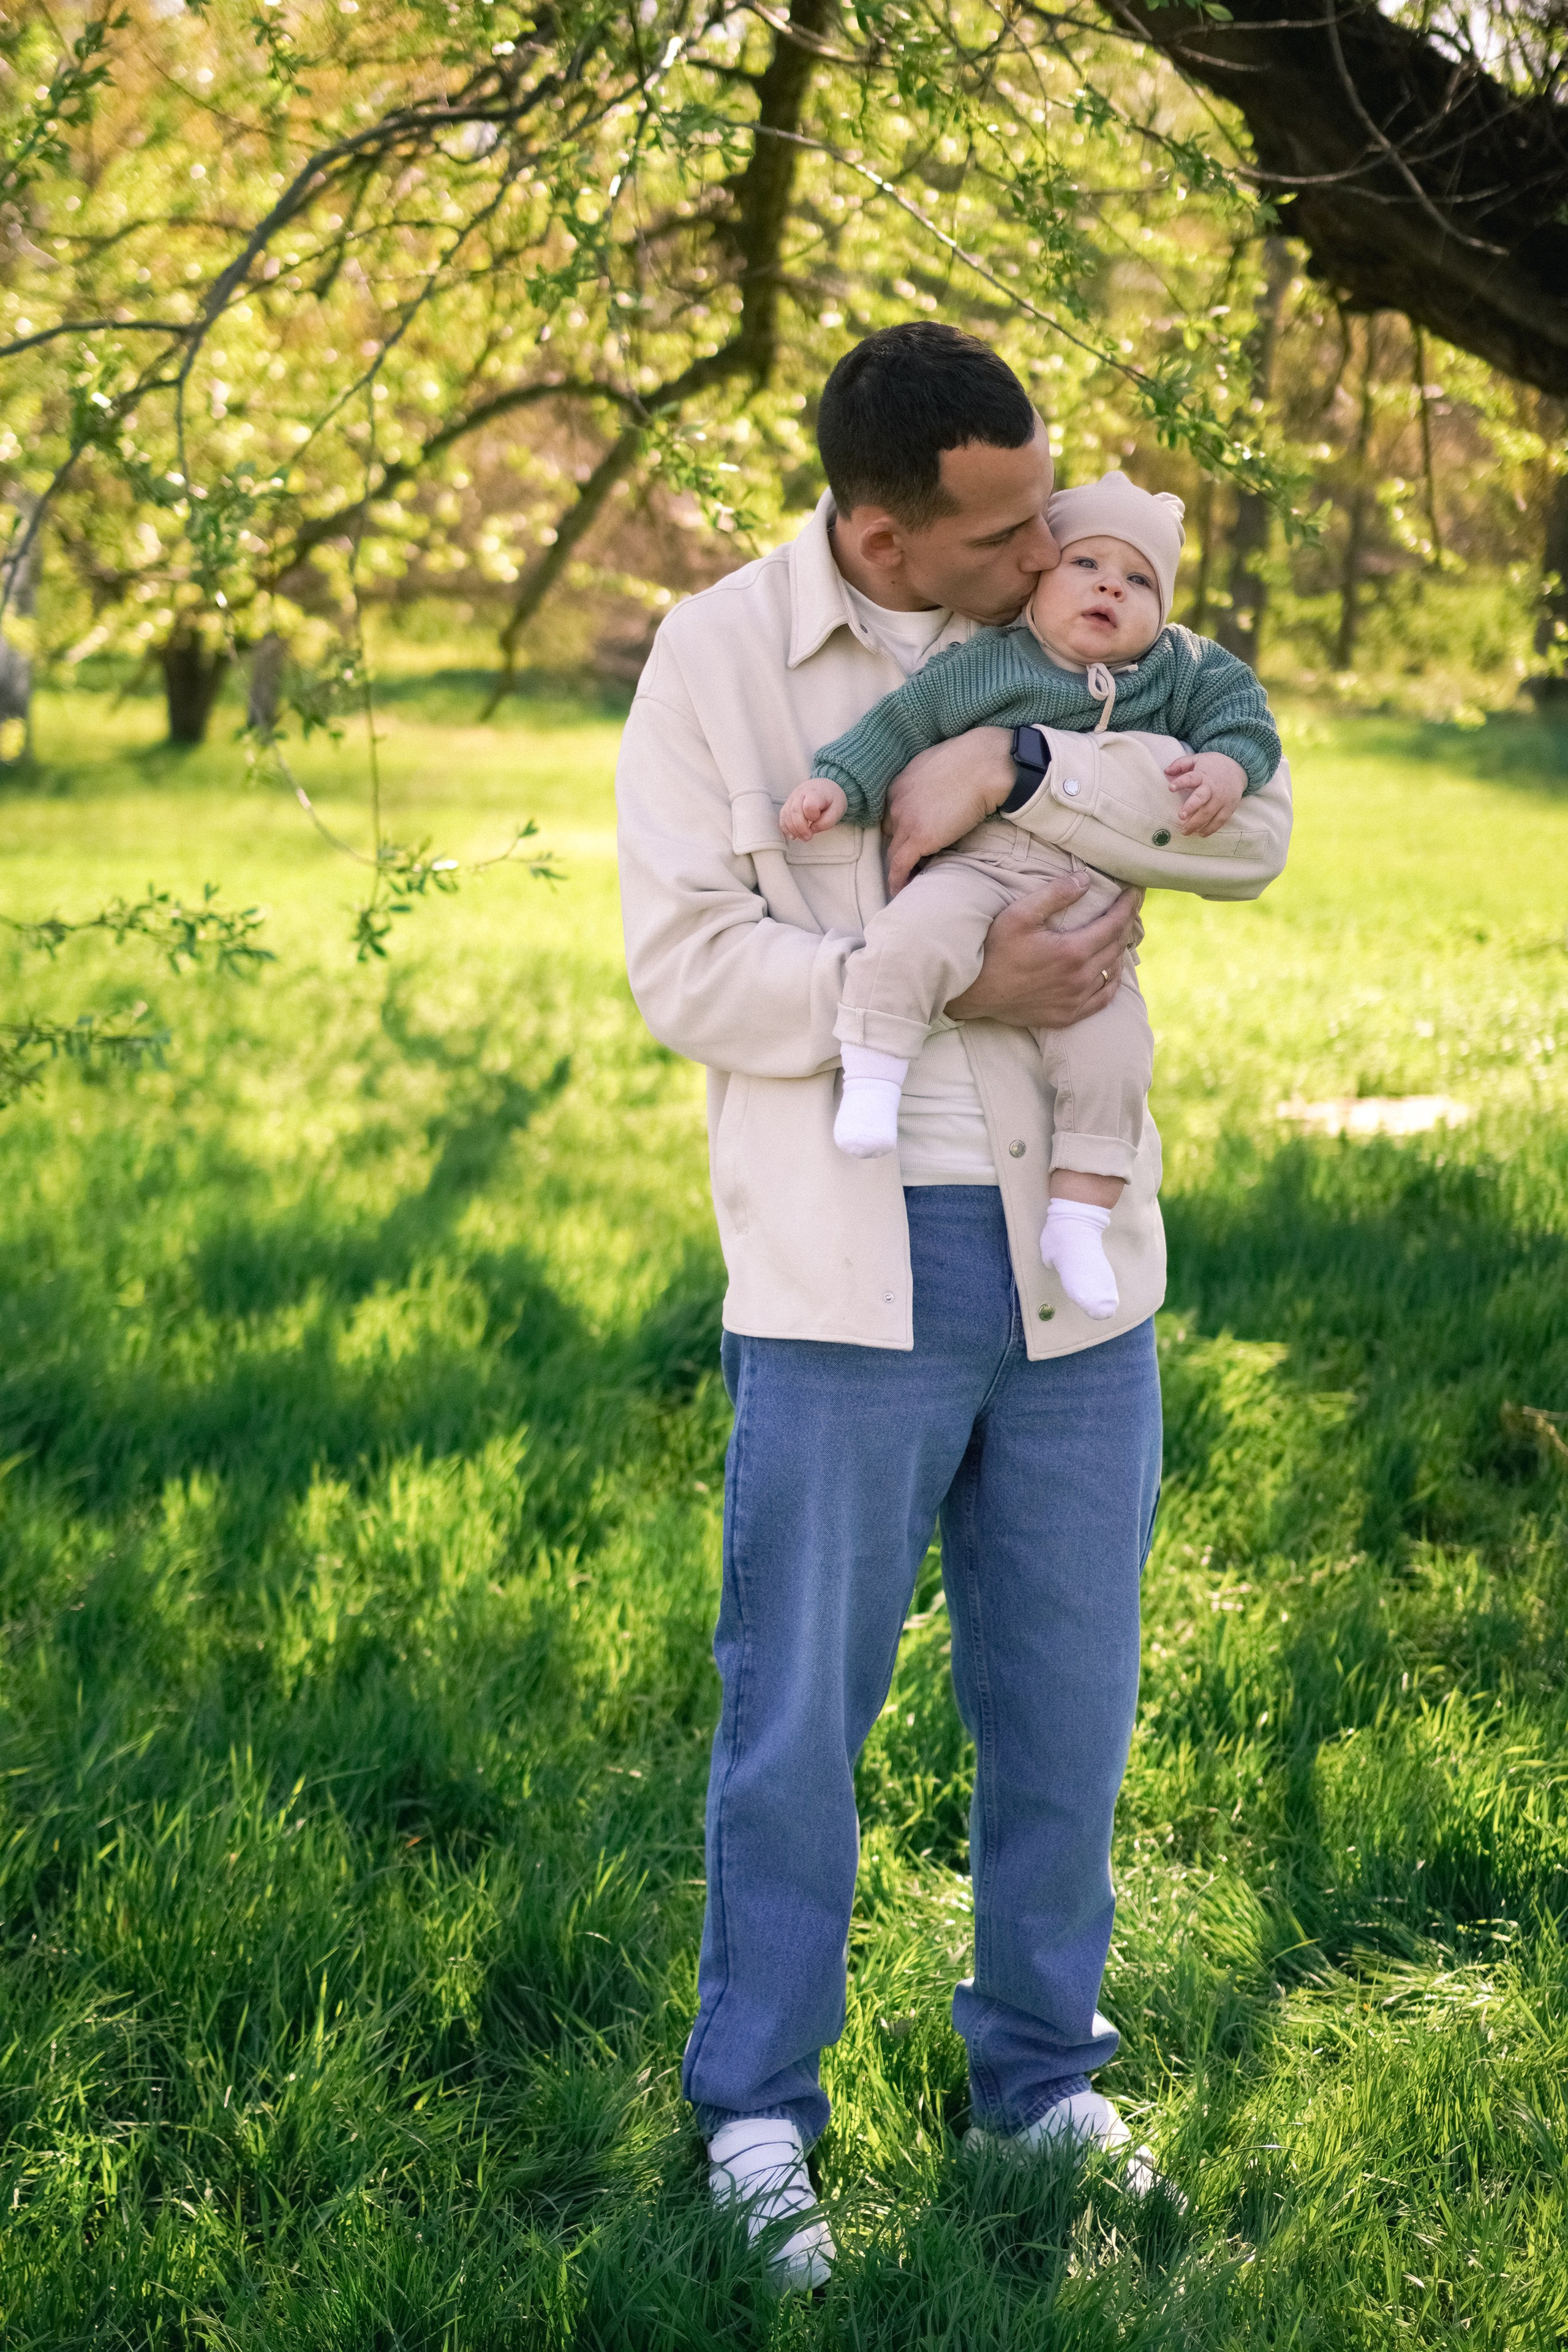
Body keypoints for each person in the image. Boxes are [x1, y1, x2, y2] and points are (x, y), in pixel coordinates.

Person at [616, 323, 1196, 2292]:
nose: (1054, 548)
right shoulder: (720, 661)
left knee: (1066, 1703)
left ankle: (1041, 2078)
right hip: (845, 1271)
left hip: (1075, 1265)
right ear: (883, 535)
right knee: (798, 1716)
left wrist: (1027, 758)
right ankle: (756, 2109)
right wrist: (950, 978)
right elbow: (688, 968)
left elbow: (1242, 824)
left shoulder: (1086, 626)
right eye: (1007, 528)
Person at [777, 469, 1284, 1321]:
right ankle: (874, 1076)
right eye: (1086, 564)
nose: (1109, 588)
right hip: (978, 868)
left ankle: (1078, 1221)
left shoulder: (1182, 671)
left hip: (1095, 901)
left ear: (1163, 611)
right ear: (1038, 581)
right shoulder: (990, 663)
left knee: (1118, 1056)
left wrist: (1231, 764)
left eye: (1138, 580)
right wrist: (838, 785)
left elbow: (1246, 716)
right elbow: (898, 729)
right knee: (911, 938)